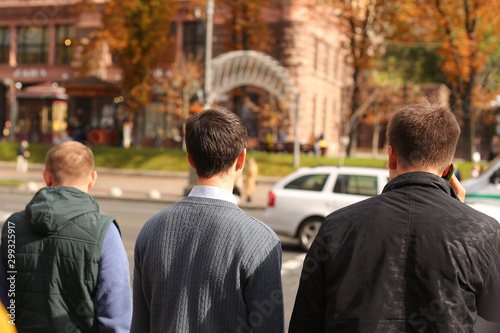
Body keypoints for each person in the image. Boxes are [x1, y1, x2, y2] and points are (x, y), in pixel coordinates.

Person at [289, 102, 500, 332]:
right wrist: (461, 216)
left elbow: (306, 321)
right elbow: (492, 310)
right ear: (449, 169)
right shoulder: (483, 231)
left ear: (391, 156)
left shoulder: (336, 226)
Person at [132, 107, 284, 333]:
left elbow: (140, 324)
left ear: (191, 160)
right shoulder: (261, 241)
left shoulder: (151, 229)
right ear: (241, 159)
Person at [0, 141, 132, 332]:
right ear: (92, 179)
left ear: (47, 177)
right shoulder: (105, 232)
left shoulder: (12, 226)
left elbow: (5, 304)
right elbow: (116, 316)